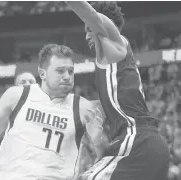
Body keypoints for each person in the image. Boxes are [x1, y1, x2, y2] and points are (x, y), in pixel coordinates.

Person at [0, 44, 108, 180]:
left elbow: (105, 152)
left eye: (70, 71)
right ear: (42, 73)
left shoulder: (83, 107)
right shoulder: (17, 95)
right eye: (60, 71)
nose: (67, 76)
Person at [66, 1, 170, 180]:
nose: (86, 36)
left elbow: (92, 16)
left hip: (137, 142)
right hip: (145, 147)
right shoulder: (110, 71)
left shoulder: (115, 42)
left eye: (88, 30)